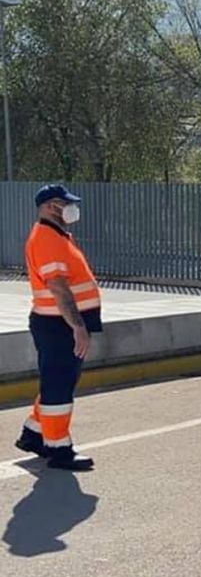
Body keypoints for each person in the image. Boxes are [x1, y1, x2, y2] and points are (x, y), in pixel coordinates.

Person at [14, 184, 102, 471]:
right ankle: (59, 448)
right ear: (51, 206)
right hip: (58, 325)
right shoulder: (47, 238)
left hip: (57, 323)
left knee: (58, 381)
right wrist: (77, 326)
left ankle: (34, 434)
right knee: (59, 386)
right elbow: (59, 289)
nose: (71, 208)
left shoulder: (56, 235)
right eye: (66, 203)